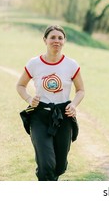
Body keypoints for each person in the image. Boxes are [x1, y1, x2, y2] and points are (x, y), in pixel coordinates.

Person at [16, 25, 85, 181]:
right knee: (46, 163)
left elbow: (81, 90)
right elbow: (20, 85)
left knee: (59, 166)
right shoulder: (34, 63)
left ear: (64, 41)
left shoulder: (71, 65)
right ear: (45, 40)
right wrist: (29, 99)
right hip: (39, 116)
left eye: (60, 38)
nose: (56, 41)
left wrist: (73, 105)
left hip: (63, 116)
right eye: (52, 37)